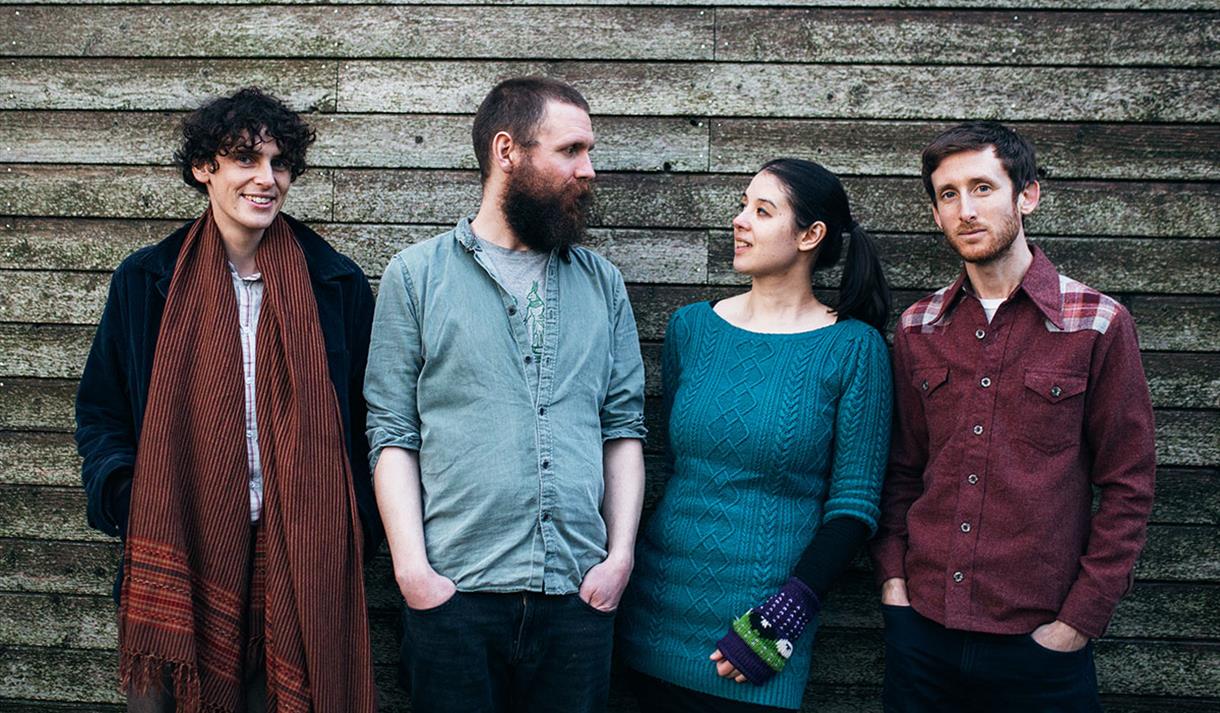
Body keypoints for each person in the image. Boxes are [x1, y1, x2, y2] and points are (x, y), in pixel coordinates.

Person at [74, 87, 380, 712]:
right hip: (176, 536)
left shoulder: (335, 283)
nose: (267, 179)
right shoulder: (147, 279)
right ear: (203, 169)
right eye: (246, 159)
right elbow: (102, 409)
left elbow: (370, 420)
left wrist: (359, 526)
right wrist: (131, 497)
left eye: (280, 163)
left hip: (298, 549)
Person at [364, 76, 647, 713]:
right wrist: (414, 572)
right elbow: (391, 432)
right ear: (507, 151)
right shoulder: (417, 277)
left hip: (578, 597)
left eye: (589, 150)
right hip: (455, 599)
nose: (590, 169)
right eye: (571, 150)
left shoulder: (602, 283)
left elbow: (623, 428)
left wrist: (619, 559)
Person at [870, 121, 1156, 712]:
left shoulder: (1096, 323)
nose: (965, 209)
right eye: (949, 194)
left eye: (982, 187)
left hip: (1042, 649)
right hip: (922, 635)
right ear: (935, 214)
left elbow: (1129, 486)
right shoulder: (918, 328)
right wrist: (894, 585)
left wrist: (1077, 623)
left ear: (1026, 195)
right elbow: (901, 469)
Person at [618, 158, 894, 712]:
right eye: (743, 206)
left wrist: (785, 615)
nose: (740, 221)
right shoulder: (691, 328)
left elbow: (855, 506)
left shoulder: (854, 348)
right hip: (651, 613)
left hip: (758, 631)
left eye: (762, 211)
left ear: (810, 236)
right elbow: (681, 469)